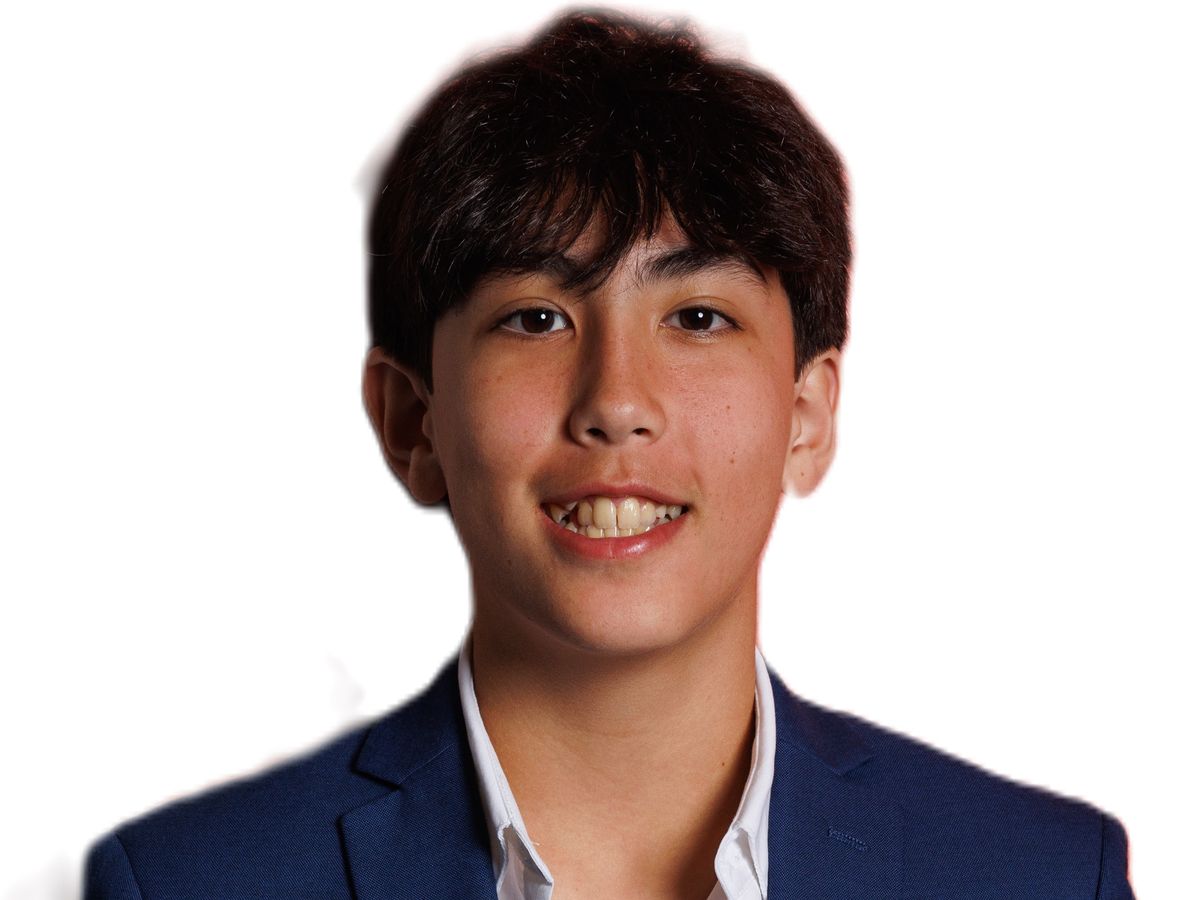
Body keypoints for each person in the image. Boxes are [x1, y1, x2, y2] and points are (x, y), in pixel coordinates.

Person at [83, 10, 1135, 899]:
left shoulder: (1040, 876)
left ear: (808, 415)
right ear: (412, 422)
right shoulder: (186, 884)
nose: (618, 404)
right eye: (536, 318)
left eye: (699, 317)